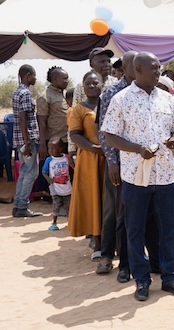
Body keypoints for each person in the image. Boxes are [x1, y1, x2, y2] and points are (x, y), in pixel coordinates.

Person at [102, 52, 174, 302]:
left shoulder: (167, 98)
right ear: (137, 69)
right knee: (135, 229)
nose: (158, 70)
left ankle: (170, 277)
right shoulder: (120, 100)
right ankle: (142, 280)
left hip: (166, 175)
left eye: (159, 67)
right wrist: (137, 149)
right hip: (135, 177)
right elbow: (110, 136)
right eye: (153, 67)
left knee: (169, 229)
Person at [68, 71, 106, 262]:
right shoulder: (78, 109)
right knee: (93, 200)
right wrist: (96, 149)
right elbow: (75, 135)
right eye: (88, 84)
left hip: (110, 160)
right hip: (89, 160)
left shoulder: (109, 105)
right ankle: (97, 245)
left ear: (102, 85)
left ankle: (113, 243)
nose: (92, 86)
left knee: (110, 202)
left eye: (95, 83)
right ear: (83, 87)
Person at [12, 64, 43, 218]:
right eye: (34, 75)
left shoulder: (17, 92)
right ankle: (22, 206)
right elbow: (23, 118)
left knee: (24, 171)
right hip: (27, 139)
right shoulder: (25, 93)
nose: (36, 78)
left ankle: (18, 206)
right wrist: (28, 143)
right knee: (31, 172)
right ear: (28, 75)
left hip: (20, 139)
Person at [36, 66, 70, 196]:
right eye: (64, 78)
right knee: (51, 169)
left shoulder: (64, 94)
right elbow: (42, 122)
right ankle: (46, 193)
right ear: (55, 79)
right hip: (52, 142)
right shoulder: (45, 97)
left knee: (63, 171)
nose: (67, 81)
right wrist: (43, 145)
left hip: (65, 139)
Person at [41, 138, 71, 231]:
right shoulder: (49, 160)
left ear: (61, 148)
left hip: (67, 187)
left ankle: (70, 222)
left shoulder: (66, 158)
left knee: (69, 206)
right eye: (49, 148)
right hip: (55, 188)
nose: (51, 151)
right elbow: (44, 171)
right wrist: (48, 179)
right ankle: (54, 222)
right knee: (56, 205)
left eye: (54, 148)